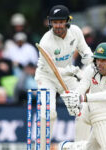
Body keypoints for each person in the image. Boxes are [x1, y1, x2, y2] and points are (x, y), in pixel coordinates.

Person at [34, 5, 93, 149]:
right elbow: (55, 71)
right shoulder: (46, 42)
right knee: (48, 113)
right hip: (47, 77)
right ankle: (41, 148)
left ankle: (81, 146)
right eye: (55, 22)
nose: (58, 25)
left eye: (61, 22)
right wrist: (76, 72)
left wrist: (90, 66)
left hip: (67, 75)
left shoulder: (76, 31)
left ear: (67, 21)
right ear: (50, 22)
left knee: (83, 109)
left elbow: (85, 51)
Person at [58, 42, 106, 150]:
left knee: (92, 148)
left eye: (103, 60)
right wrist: (74, 97)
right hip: (89, 110)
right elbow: (81, 88)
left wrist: (82, 98)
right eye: (98, 59)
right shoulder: (91, 69)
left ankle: (70, 147)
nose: (99, 63)